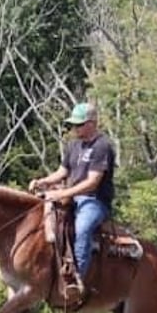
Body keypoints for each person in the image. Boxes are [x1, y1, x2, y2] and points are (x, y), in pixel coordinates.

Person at [29, 102, 116, 293]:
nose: (75, 128)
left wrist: (62, 193)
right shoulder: (73, 145)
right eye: (73, 125)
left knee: (82, 228)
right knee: (44, 219)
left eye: (79, 124)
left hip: (94, 201)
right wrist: (42, 181)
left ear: (92, 123)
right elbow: (62, 172)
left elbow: (92, 182)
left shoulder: (102, 146)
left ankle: (76, 278)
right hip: (73, 197)